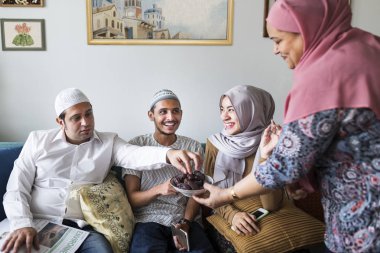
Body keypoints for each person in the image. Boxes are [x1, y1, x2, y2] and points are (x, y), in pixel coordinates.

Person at [193, 0, 380, 252]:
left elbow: (285, 167)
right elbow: (346, 138)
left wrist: (228, 193)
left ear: (305, 30)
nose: (274, 50)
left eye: (278, 40)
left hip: (365, 221)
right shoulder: (369, 48)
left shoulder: (324, 75)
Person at [1, 88, 202, 253]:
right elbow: (16, 187)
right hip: (35, 222)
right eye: (76, 118)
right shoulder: (37, 141)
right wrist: (21, 223)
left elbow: (136, 155)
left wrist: (168, 154)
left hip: (82, 229)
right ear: (60, 122)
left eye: (89, 113)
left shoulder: (109, 142)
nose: (86, 122)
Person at [124, 89, 215, 253]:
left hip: (184, 219)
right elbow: (132, 199)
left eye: (175, 111)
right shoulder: (136, 146)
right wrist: (159, 189)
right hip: (148, 221)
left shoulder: (192, 147)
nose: (171, 117)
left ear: (181, 113)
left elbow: (197, 193)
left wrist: (185, 223)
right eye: (163, 112)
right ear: (151, 115)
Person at [203, 85, 283, 252]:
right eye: (222, 109)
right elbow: (208, 190)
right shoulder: (215, 143)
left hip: (266, 214)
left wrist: (265, 155)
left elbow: (271, 205)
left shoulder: (273, 141)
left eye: (231, 110)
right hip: (226, 213)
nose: (224, 116)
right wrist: (233, 216)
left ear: (251, 111)